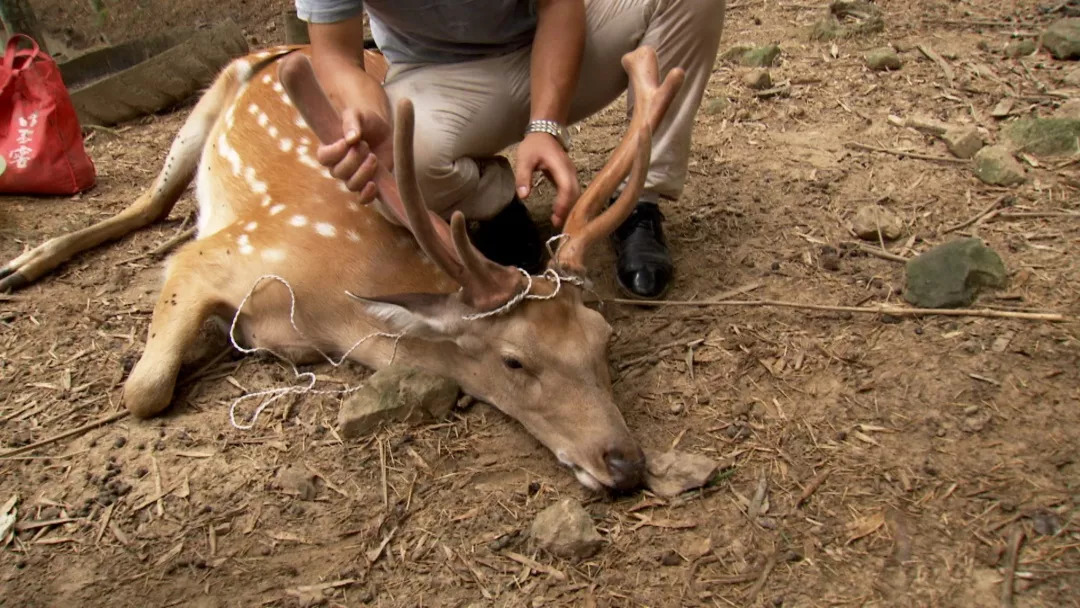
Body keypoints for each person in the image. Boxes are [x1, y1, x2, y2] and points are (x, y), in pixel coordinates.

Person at [295, 0, 725, 299]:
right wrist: (371, 116)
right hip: (442, 77)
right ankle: (495, 202)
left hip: (562, 39)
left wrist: (545, 125)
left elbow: (560, 5)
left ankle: (639, 199)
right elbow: (335, 55)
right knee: (403, 174)